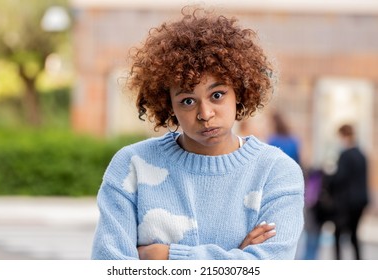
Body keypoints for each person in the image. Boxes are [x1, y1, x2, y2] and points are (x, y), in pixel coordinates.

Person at [91, 6, 304, 260]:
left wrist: (167, 256)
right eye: (188, 101)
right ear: (168, 104)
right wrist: (237, 258)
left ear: (239, 91)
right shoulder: (131, 167)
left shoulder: (276, 172)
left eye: (217, 95)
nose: (205, 113)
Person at [329, 124, 369, 260]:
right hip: (360, 200)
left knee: (338, 234)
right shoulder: (362, 155)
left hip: (346, 203)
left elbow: (340, 178)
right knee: (354, 234)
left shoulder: (345, 155)